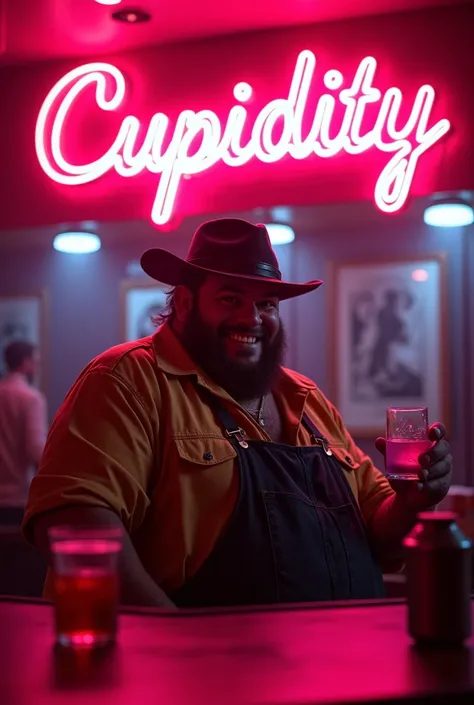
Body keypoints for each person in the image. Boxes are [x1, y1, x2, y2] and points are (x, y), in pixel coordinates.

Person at [22, 219, 453, 608]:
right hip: (198, 682)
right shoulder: (128, 380)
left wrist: (413, 502)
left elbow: (376, 524)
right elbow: (74, 522)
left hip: (341, 673)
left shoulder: (305, 398)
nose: (252, 318)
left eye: (267, 304)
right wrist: (174, 644)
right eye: (231, 298)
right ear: (186, 303)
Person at [0, 341, 47, 525]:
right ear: (26, 363)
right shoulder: (31, 399)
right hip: (17, 498)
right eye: (36, 361)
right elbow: (36, 448)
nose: (37, 367)